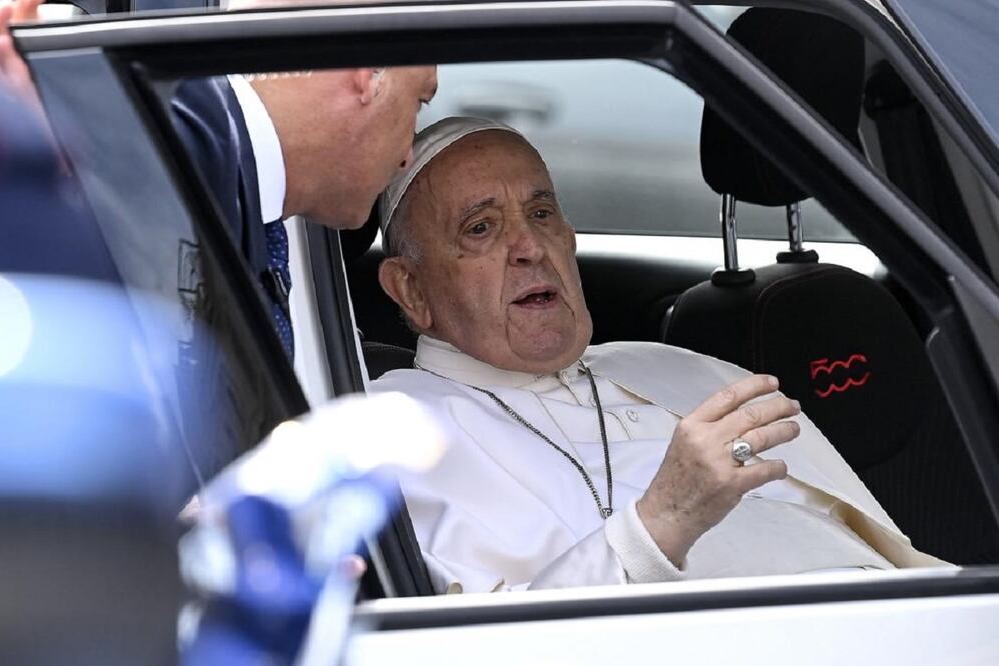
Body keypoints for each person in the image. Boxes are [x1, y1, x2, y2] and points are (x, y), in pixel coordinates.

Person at [370, 116, 945, 593]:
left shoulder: (681, 368)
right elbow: (481, 650)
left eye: (541, 214)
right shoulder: (390, 433)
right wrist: (661, 522)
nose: (529, 247)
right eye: (481, 228)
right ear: (412, 291)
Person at [0, 0, 438, 357]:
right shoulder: (160, 141)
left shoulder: (235, 184)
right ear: (364, 70)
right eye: (418, 101)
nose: (407, 155)